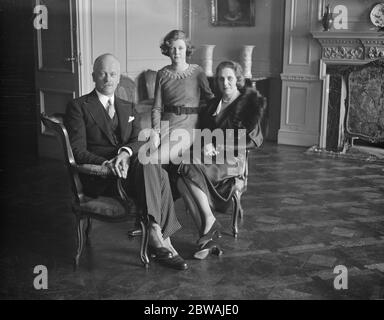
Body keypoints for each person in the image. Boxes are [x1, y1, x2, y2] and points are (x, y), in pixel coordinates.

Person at [64, 53, 187, 270]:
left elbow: (137, 140)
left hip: (131, 172)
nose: (108, 79)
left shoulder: (128, 106)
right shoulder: (79, 106)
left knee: (151, 165)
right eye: (102, 73)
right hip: (101, 177)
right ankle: (161, 239)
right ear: (93, 76)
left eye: (112, 74)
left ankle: (156, 233)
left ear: (118, 78)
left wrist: (125, 153)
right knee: (157, 171)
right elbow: (77, 151)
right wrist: (110, 163)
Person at [176, 61, 266, 259]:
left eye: (230, 78)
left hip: (232, 161)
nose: (225, 83)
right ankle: (208, 232)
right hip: (209, 159)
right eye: (221, 79)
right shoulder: (212, 105)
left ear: (238, 80)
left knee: (187, 167)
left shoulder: (248, 104)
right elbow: (201, 134)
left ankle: (208, 226)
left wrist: (219, 146)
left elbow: (254, 140)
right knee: (181, 181)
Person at [149, 29, 214, 164]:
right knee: (149, 155)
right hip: (167, 124)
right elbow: (156, 108)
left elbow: (211, 101)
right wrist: (156, 131)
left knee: (155, 160)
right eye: (173, 48)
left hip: (189, 126)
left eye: (180, 48)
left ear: (187, 49)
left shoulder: (197, 72)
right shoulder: (161, 74)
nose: (176, 52)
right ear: (167, 50)